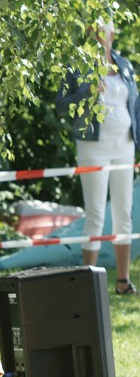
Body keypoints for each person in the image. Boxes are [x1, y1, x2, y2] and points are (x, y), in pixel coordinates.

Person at [56, 19, 140, 295]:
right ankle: (88, 284)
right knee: (94, 214)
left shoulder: (125, 65)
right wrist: (88, 92)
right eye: (93, 31)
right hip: (93, 147)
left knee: (123, 214)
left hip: (125, 145)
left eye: (103, 30)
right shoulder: (76, 66)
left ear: (112, 34)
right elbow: (61, 106)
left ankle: (123, 281)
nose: (99, 35)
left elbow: (135, 106)